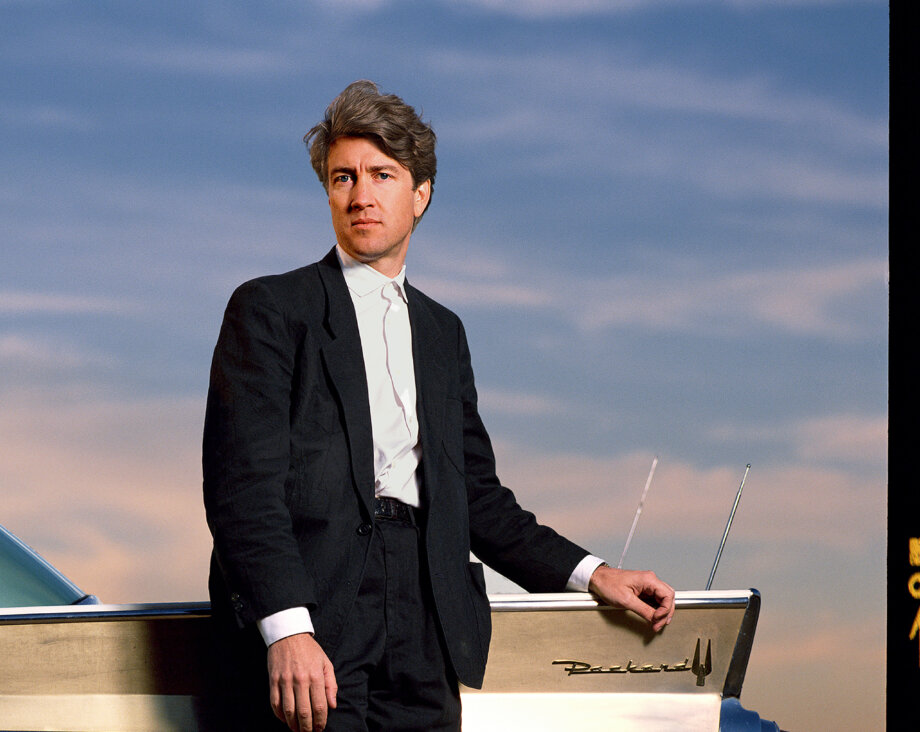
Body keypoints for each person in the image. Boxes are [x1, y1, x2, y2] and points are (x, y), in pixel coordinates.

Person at [201, 80, 675, 732]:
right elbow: (241, 492)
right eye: (343, 177)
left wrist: (593, 574)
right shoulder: (269, 310)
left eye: (381, 175)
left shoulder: (443, 333)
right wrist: (285, 629)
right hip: (317, 609)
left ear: (420, 194)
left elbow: (476, 496)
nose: (360, 195)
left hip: (428, 616)